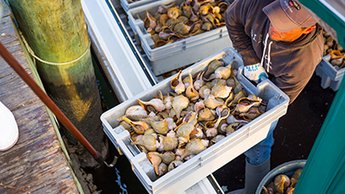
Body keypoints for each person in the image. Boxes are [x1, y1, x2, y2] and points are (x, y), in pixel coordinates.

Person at [225, 0, 324, 193]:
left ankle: (255, 187)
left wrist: (252, 116)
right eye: (274, 19)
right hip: (254, 65)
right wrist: (249, 59)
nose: (272, 29)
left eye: (282, 28)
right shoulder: (259, 4)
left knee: (261, 137)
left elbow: (277, 104)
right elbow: (232, 18)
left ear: (306, 29)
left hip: (280, 87)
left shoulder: (303, 60)